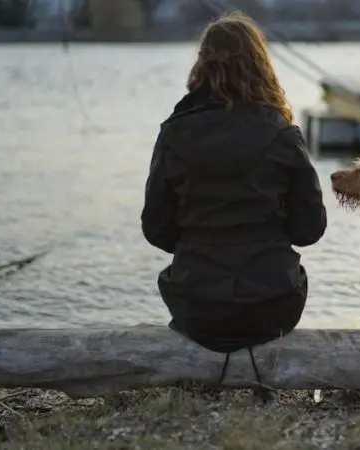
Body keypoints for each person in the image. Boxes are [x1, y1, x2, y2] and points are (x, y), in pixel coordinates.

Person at [140, 11, 327, 358]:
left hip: (197, 307)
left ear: (202, 65)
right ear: (260, 64)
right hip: (273, 307)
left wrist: (199, 244)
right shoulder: (283, 135)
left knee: (182, 281)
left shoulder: (174, 133)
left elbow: (156, 229)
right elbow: (309, 230)